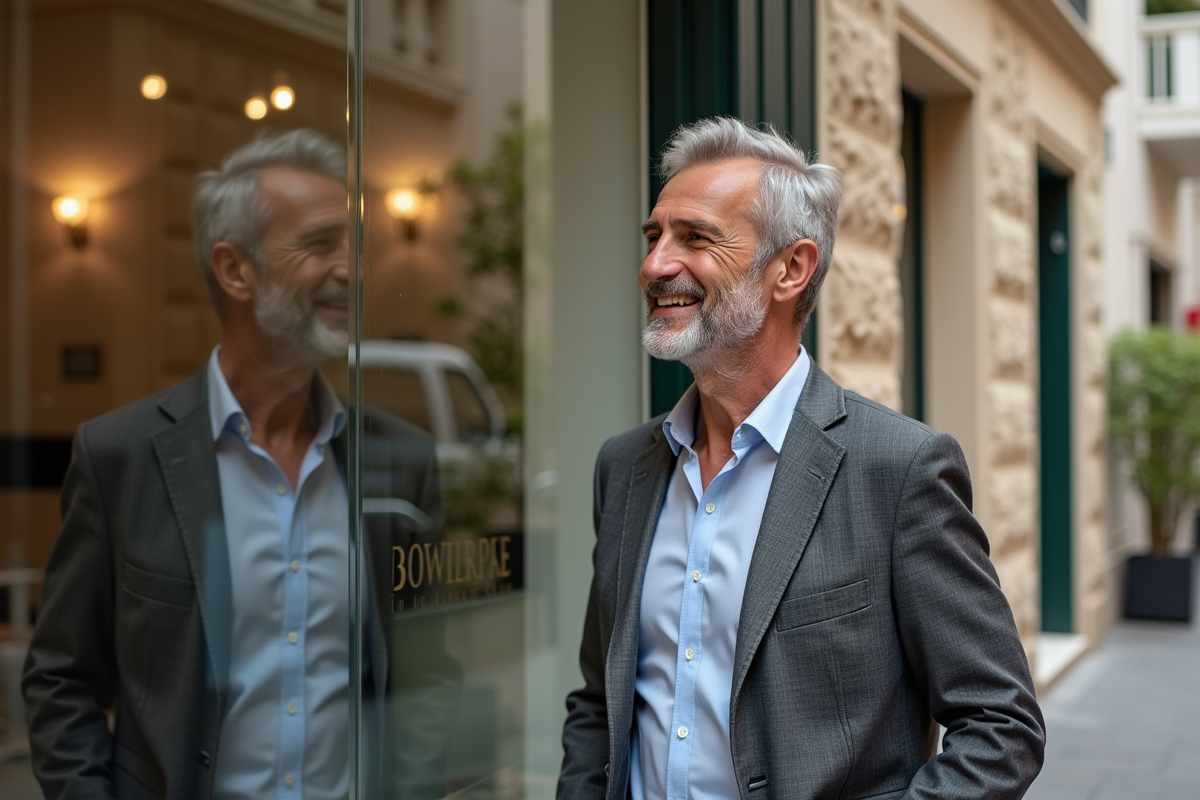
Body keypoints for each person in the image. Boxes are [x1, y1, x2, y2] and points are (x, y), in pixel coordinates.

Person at [557, 117, 1045, 800]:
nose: (655, 264)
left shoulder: (899, 470)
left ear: (791, 268)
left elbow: (1001, 725)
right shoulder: (625, 467)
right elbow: (599, 703)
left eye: (695, 237)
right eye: (653, 236)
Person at [22, 130, 450, 799]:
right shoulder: (120, 456)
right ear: (235, 269)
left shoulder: (398, 458)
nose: (353, 269)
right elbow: (62, 680)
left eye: (355, 246)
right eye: (319, 244)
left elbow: (427, 675)